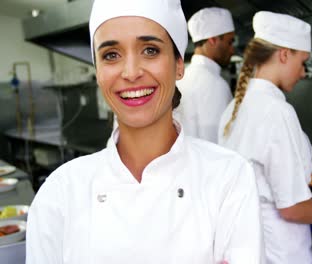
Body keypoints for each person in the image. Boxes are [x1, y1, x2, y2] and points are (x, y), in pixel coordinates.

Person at [26, 1, 263, 263]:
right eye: (111, 55)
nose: (130, 73)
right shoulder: (60, 194)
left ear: (179, 64)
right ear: (99, 72)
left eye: (150, 50)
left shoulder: (229, 178)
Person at [218, 11, 312, 264]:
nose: (303, 73)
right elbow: (292, 208)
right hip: (280, 253)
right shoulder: (277, 112)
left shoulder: (233, 108)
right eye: (302, 62)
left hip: (249, 248)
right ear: (284, 54)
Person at [173, 7, 235, 143]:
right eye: (229, 42)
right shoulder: (216, 85)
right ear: (212, 40)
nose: (232, 49)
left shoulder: (180, 79)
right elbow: (220, 146)